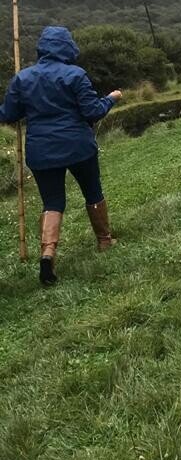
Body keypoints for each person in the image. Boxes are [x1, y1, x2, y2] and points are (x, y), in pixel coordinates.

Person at [0, 26, 122, 286]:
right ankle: (104, 240)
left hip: (42, 151)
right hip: (78, 147)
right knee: (93, 191)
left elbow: (8, 114)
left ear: (43, 48)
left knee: (53, 201)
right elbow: (92, 111)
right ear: (67, 47)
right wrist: (111, 99)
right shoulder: (75, 75)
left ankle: (48, 253)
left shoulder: (23, 79)